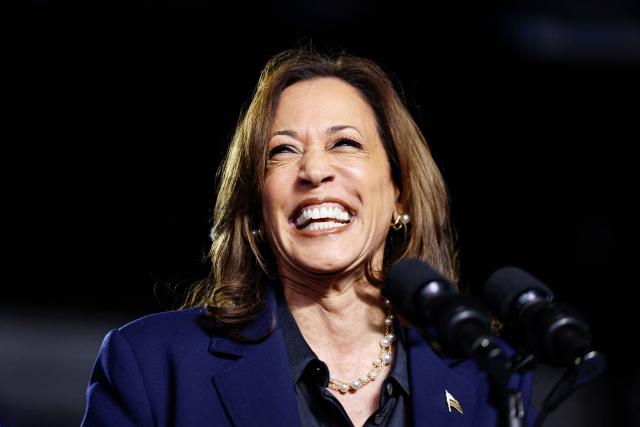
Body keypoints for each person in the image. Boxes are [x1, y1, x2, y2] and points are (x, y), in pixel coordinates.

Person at [81, 48, 535, 427]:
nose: (315, 170)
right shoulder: (152, 365)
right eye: (283, 151)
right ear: (257, 209)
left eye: (345, 143)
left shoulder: (489, 375)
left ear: (400, 194)